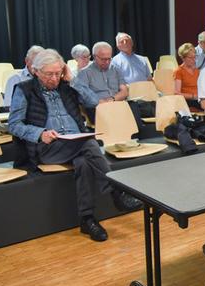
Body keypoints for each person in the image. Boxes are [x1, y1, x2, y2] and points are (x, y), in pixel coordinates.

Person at [8, 48, 141, 242]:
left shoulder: (67, 85)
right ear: (36, 71)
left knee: (83, 162)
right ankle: (115, 191)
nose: (54, 78)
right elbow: (14, 125)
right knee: (88, 141)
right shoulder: (24, 89)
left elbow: (94, 101)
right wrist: (39, 134)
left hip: (74, 143)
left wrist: (72, 79)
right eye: (49, 74)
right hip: (48, 146)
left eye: (57, 73)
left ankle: (87, 220)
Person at [74, 41, 143, 128]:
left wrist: (112, 100)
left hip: (116, 103)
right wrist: (100, 102)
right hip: (97, 108)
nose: (107, 62)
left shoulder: (115, 70)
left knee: (133, 105)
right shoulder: (84, 73)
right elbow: (83, 97)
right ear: (95, 57)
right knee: (114, 113)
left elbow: (124, 91)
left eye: (109, 58)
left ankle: (135, 137)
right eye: (103, 59)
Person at [174, 43, 200, 108]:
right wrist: (193, 96)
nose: (193, 60)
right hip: (187, 101)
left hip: (198, 100)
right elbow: (177, 93)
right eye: (190, 58)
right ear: (183, 58)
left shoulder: (198, 71)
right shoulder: (179, 71)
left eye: (194, 57)